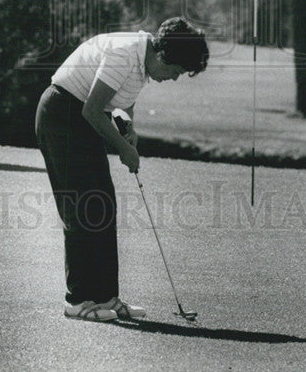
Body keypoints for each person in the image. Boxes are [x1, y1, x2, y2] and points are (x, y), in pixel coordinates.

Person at [34, 17, 209, 323]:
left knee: (102, 205)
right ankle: (77, 300)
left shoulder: (144, 63)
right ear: (163, 56)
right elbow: (92, 108)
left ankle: (104, 297)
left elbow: (121, 102)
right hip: (61, 115)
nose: (175, 78)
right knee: (82, 207)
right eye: (176, 71)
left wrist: (128, 127)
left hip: (81, 118)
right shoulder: (125, 54)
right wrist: (123, 148)